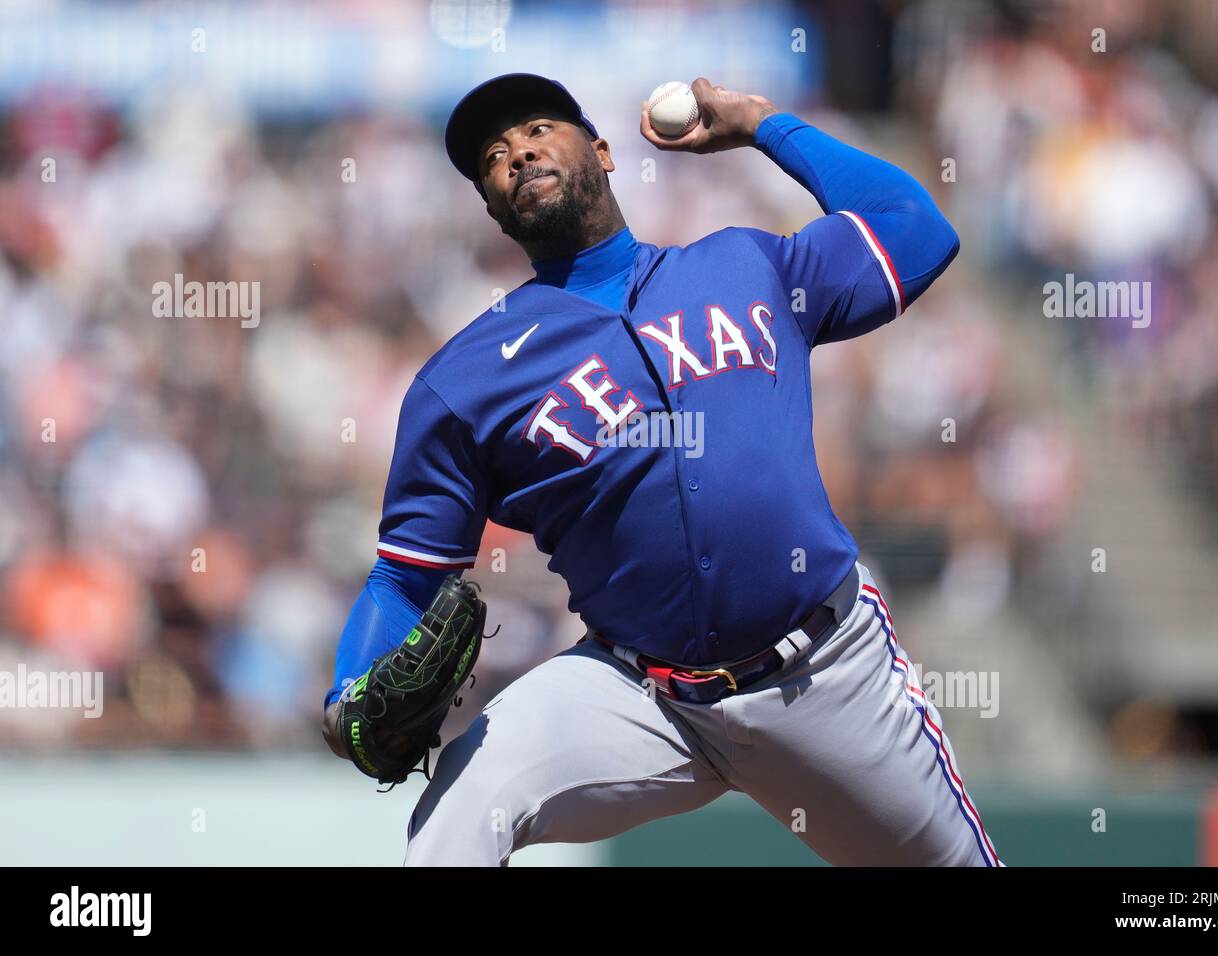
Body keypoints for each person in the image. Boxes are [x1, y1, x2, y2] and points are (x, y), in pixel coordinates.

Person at [322, 73, 1001, 867]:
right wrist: (346, 697)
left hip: (823, 671)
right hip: (637, 695)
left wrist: (761, 125)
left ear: (603, 153)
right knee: (460, 805)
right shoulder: (463, 381)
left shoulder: (747, 265)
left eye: (540, 128)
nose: (518, 153)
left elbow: (915, 228)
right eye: (494, 157)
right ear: (492, 206)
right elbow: (407, 576)